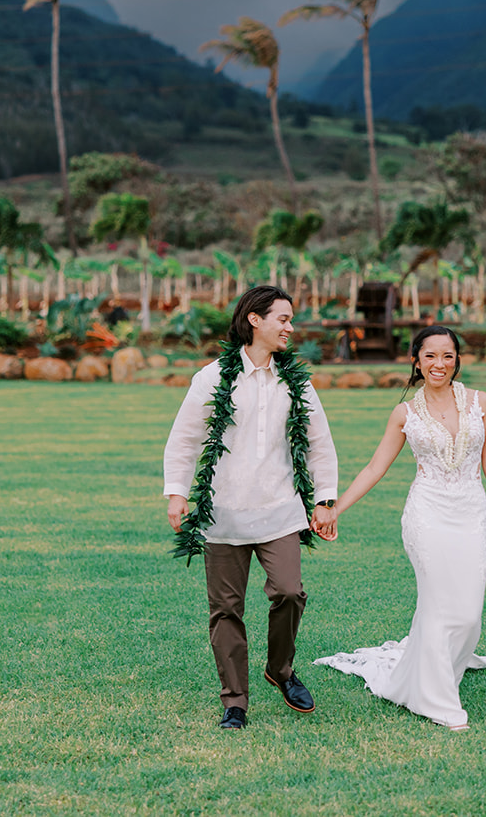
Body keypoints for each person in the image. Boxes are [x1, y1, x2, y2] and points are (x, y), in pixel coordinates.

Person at [311, 326, 486, 729]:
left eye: (448, 356)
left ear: (457, 360)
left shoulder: (481, 403)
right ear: (416, 361)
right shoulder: (405, 413)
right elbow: (375, 467)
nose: (439, 364)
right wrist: (335, 508)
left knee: (470, 614)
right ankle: (438, 701)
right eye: (431, 356)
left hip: (471, 514)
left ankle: (434, 673)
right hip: (427, 515)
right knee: (440, 605)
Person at [163, 285, 340, 730]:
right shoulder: (212, 378)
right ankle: (235, 701)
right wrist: (177, 491)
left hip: (280, 508)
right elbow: (185, 438)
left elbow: (320, 443)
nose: (290, 327)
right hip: (223, 512)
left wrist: (323, 500)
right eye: (283, 318)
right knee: (226, 608)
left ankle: (280, 670)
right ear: (255, 320)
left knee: (289, 591)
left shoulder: (295, 381)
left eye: (291, 319)